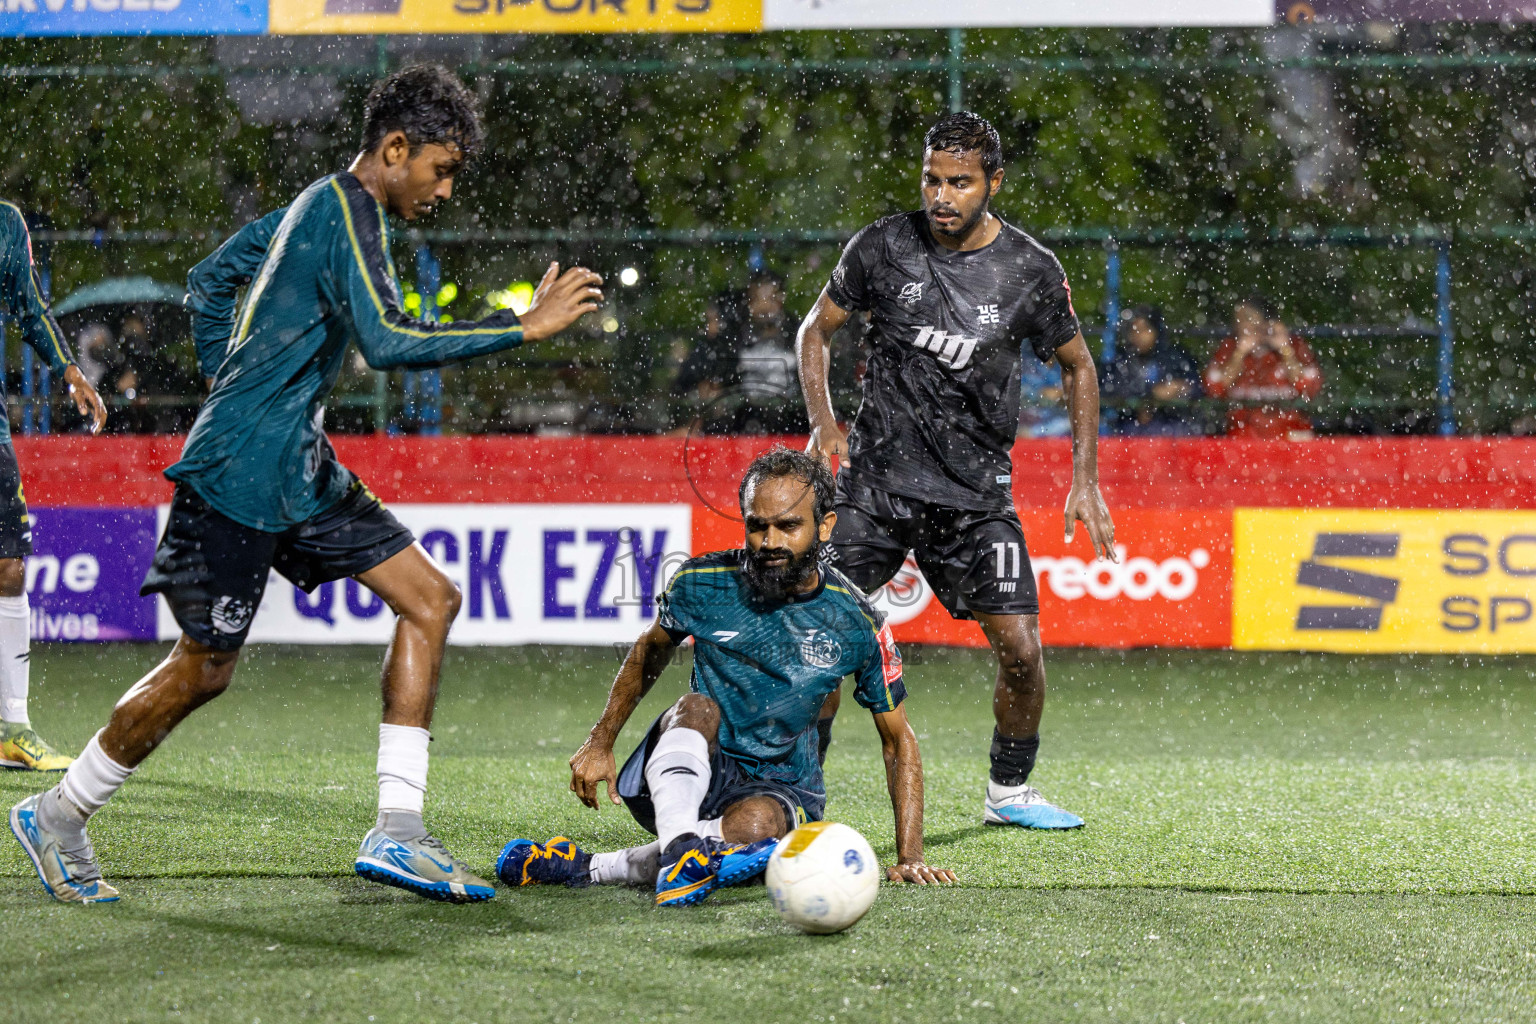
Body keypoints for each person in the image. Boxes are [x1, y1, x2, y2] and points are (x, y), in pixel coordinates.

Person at [9, 65, 603, 905]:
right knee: (203, 670)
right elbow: (391, 340)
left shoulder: (317, 208)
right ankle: (58, 815)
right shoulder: (339, 212)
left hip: (294, 461)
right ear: (395, 148)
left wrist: (237, 386)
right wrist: (521, 325)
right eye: (440, 168)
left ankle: (398, 833)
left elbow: (211, 280)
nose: (444, 189)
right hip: (241, 470)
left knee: (430, 599)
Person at [798, 111, 1116, 831]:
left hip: (974, 497)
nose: (943, 196)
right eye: (932, 180)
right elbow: (814, 329)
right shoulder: (882, 246)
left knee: (1023, 653)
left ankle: (1008, 794)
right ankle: (797, 794)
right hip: (874, 489)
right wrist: (824, 422)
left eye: (961, 183)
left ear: (993, 184)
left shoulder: (1030, 270)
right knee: (817, 643)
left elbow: (1077, 365)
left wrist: (1084, 477)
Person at [499, 448, 954, 904]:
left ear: (826, 526)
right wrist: (600, 741)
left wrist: (909, 855)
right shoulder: (702, 582)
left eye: (789, 526)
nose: (770, 541)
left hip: (782, 788)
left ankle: (595, 867)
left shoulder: (857, 621)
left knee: (756, 828)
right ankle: (685, 849)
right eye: (757, 525)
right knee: (696, 706)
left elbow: (898, 738)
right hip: (688, 770)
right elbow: (649, 651)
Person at [0, 202, 108, 771]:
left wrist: (70, 372)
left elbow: (29, 308)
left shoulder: (6, 223)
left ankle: (13, 727)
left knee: (9, 565)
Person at [1203, 295, 1323, 439]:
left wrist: (1285, 351)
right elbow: (1215, 389)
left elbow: (1308, 389)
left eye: (1247, 319)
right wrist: (1239, 354)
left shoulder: (1294, 346)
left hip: (1290, 435)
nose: (1241, 325)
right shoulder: (1229, 348)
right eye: (1238, 320)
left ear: (1267, 322)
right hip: (1243, 436)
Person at [1101, 305, 1202, 436]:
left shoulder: (1174, 357)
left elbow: (1197, 387)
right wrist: (1150, 395)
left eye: (1145, 330)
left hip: (1171, 425)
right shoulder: (1120, 361)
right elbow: (1109, 390)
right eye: (1134, 330)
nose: (1139, 336)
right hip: (1130, 429)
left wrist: (1179, 387)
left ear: (1156, 331)